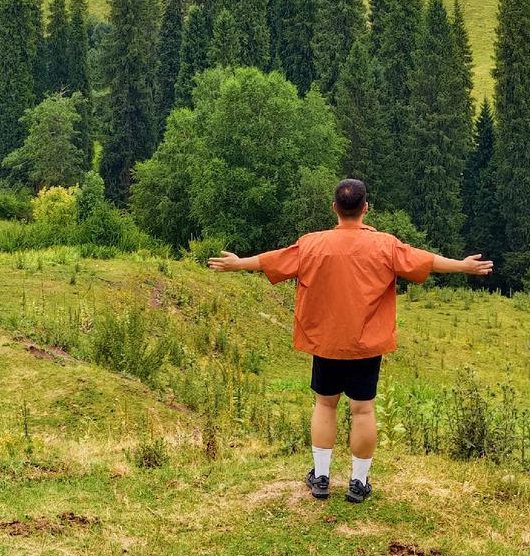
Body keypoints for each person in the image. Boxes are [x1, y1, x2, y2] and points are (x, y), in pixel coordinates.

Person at [209, 177, 492, 503]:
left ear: (335, 208)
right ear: (365, 208)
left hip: (325, 342)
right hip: (366, 345)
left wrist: (237, 264)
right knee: (363, 411)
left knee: (325, 405)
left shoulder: (312, 244)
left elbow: (273, 260)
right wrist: (463, 266)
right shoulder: (385, 245)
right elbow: (425, 260)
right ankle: (358, 483)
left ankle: (321, 479)